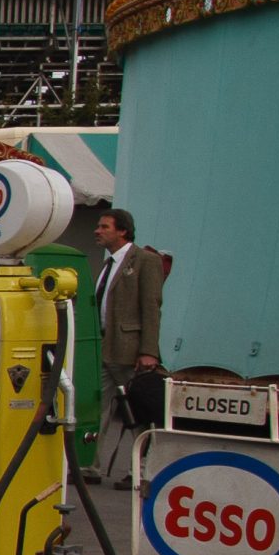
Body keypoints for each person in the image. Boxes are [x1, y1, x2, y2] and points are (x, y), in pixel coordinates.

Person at [93, 205, 166, 487]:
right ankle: (91, 465)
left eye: (104, 227)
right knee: (98, 407)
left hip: (130, 350)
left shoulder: (145, 260)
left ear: (122, 230)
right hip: (104, 348)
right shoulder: (108, 263)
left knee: (138, 413)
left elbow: (151, 306)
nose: (97, 231)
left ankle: (143, 471)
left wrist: (148, 350)